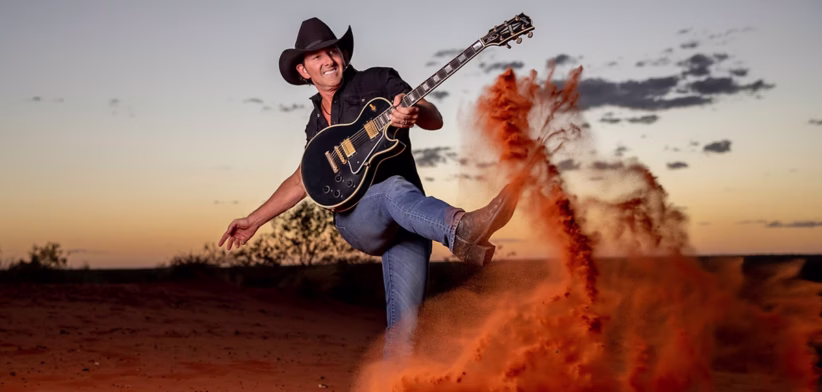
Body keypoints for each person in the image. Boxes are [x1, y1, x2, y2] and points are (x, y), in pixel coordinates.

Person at [218, 17, 519, 358]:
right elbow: (303, 179)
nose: (328, 60)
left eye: (332, 51)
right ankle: (459, 229)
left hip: (411, 221)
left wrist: (414, 109)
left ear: (342, 56)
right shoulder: (316, 124)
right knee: (391, 188)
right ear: (304, 71)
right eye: (316, 56)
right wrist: (254, 220)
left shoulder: (376, 80)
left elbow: (434, 119)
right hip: (359, 219)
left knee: (405, 332)